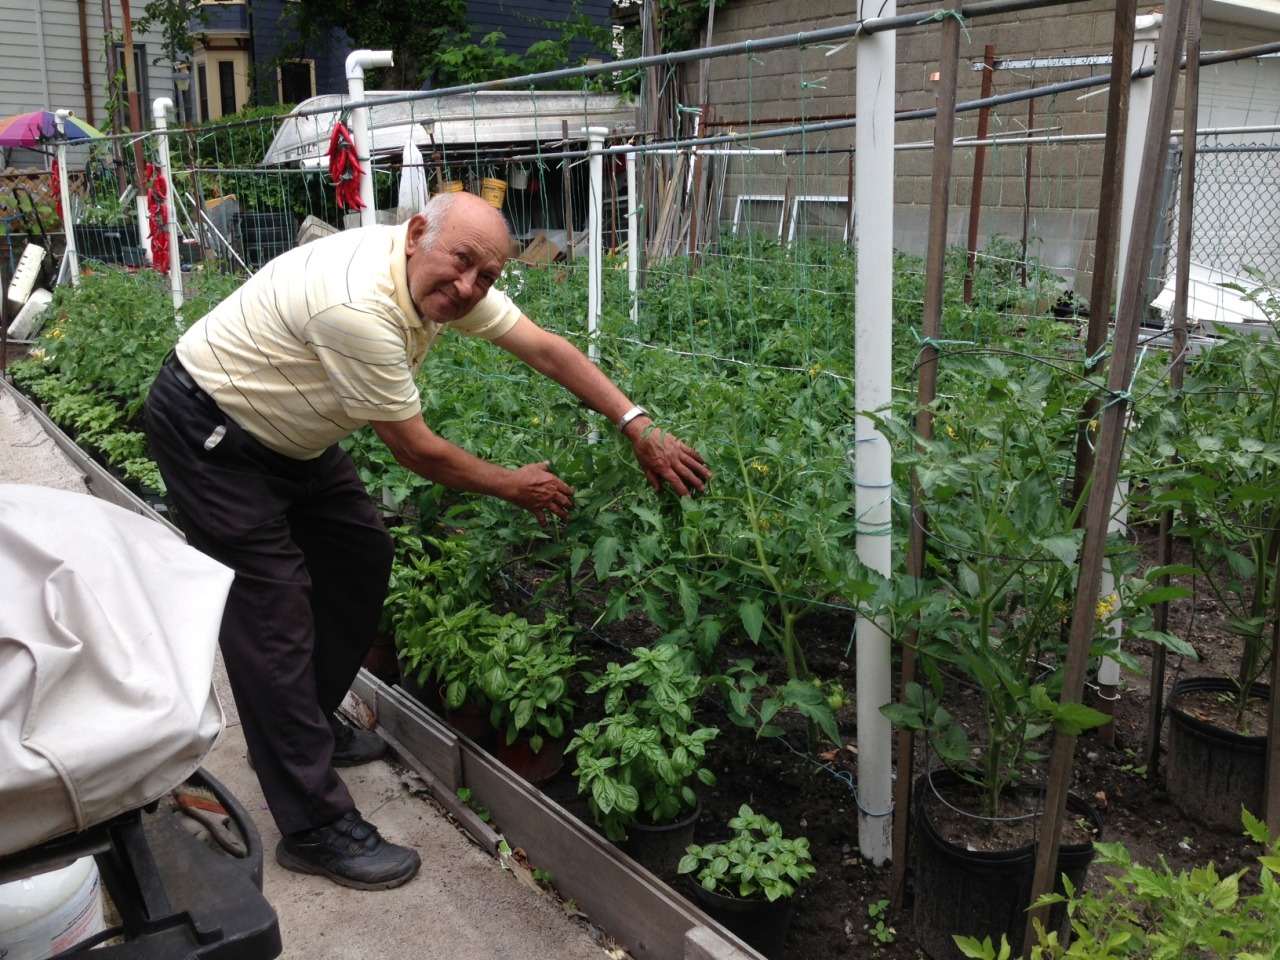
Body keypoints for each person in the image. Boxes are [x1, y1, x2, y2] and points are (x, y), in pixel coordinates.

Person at [143, 190, 711, 891]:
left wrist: (636, 423)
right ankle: (314, 824)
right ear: (416, 235)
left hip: (290, 430)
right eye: (461, 263)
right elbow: (416, 451)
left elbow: (544, 346)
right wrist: (514, 485)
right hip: (215, 431)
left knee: (360, 554)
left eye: (487, 277)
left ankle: (301, 731)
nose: (469, 287)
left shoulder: (441, 277)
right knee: (273, 616)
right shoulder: (358, 306)